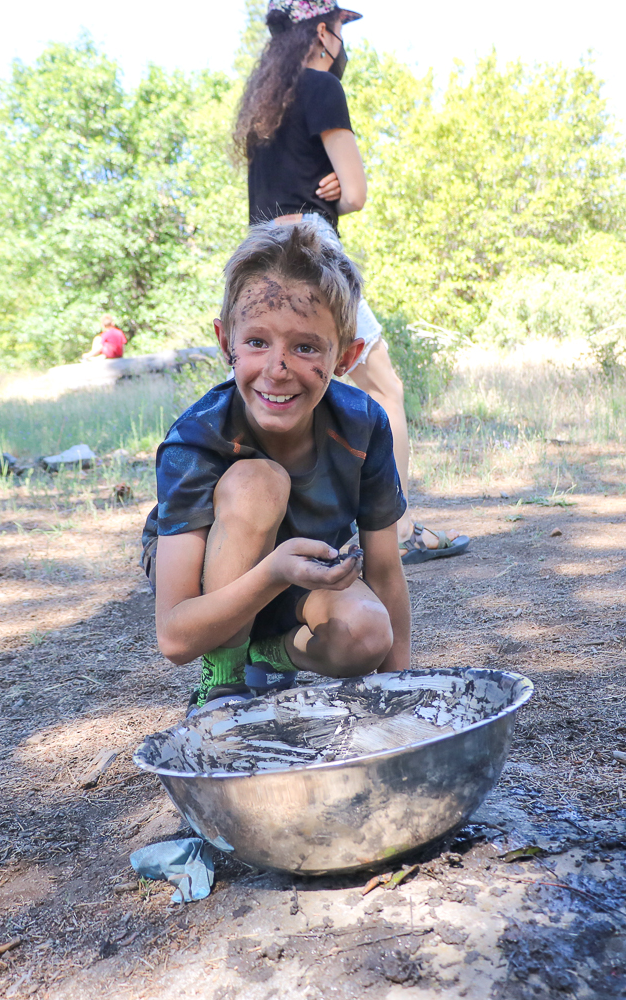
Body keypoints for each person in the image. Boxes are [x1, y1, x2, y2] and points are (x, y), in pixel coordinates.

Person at [143, 218, 410, 711]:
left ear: (346, 357)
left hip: (299, 578)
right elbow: (175, 638)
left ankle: (264, 655)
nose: (277, 369)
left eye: (305, 347)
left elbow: (387, 572)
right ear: (226, 341)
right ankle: (223, 682)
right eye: (257, 342)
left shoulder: (363, 425)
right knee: (257, 483)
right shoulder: (195, 441)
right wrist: (273, 572)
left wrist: (401, 699)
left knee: (369, 631)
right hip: (211, 586)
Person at [236, 0, 468, 565]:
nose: (343, 39)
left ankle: (260, 532)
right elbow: (357, 193)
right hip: (311, 248)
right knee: (384, 389)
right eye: (341, 26)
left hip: (260, 253)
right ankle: (399, 527)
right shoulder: (321, 87)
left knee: (274, 391)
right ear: (322, 32)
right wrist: (338, 190)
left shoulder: (266, 103)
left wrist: (330, 186)